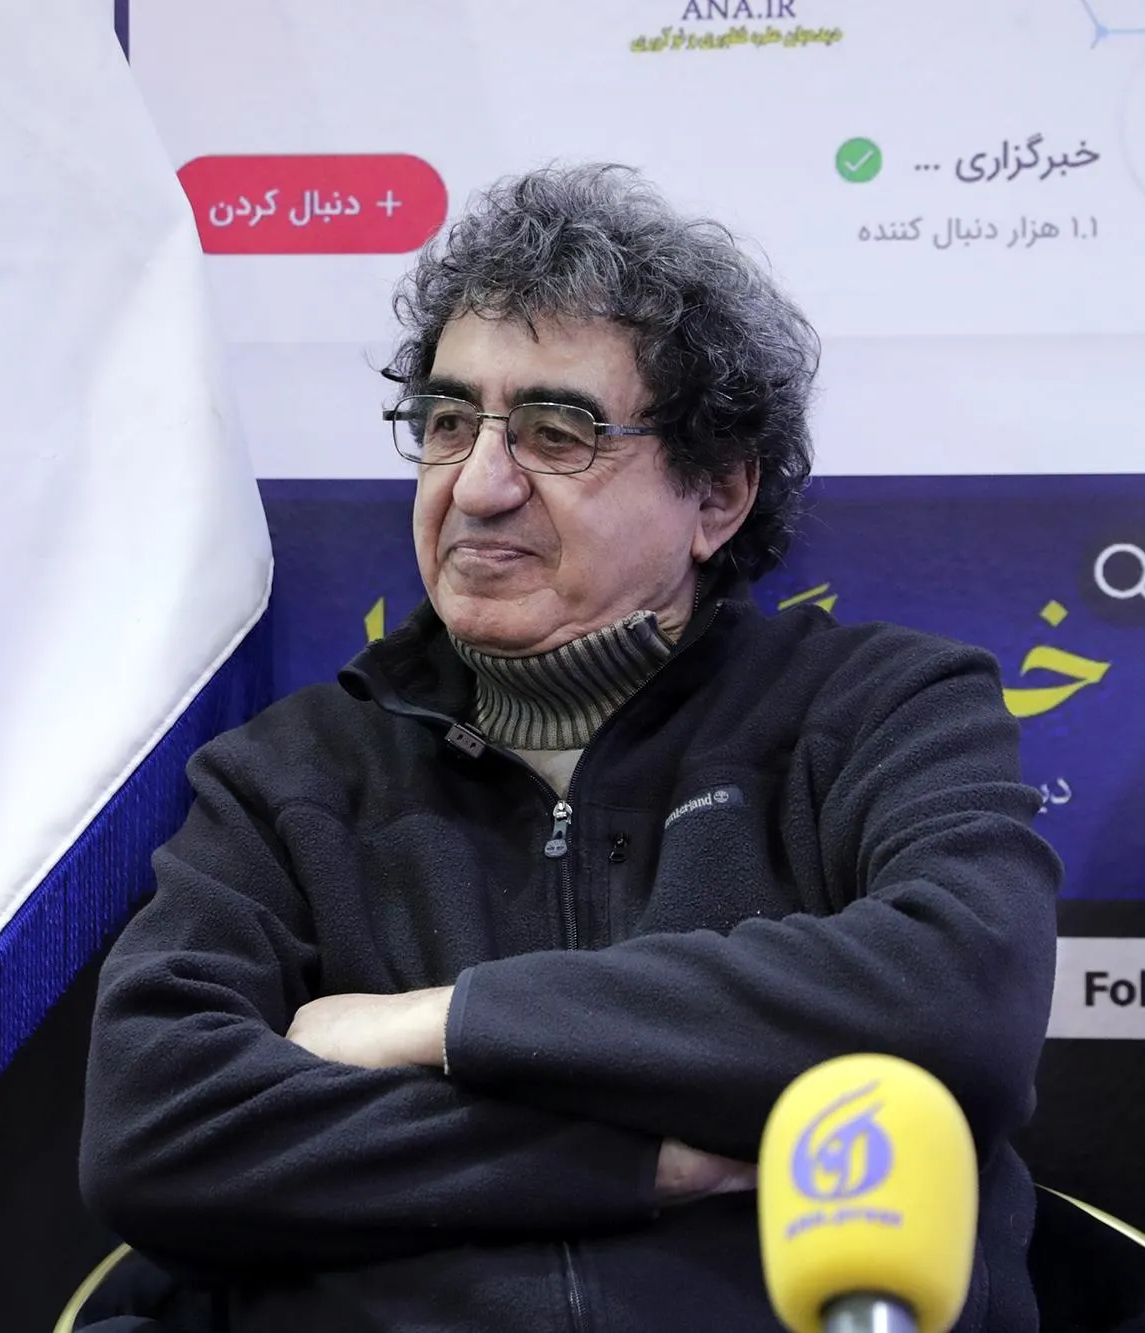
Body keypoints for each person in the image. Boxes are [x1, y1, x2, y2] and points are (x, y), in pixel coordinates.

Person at [79, 163, 1060, 1331]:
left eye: (555, 432)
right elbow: (157, 1129)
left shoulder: (881, 708)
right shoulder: (289, 776)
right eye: (447, 423)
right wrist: (634, 1162)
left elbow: (953, 1003)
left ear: (717, 494)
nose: (477, 485)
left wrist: (439, 1023)